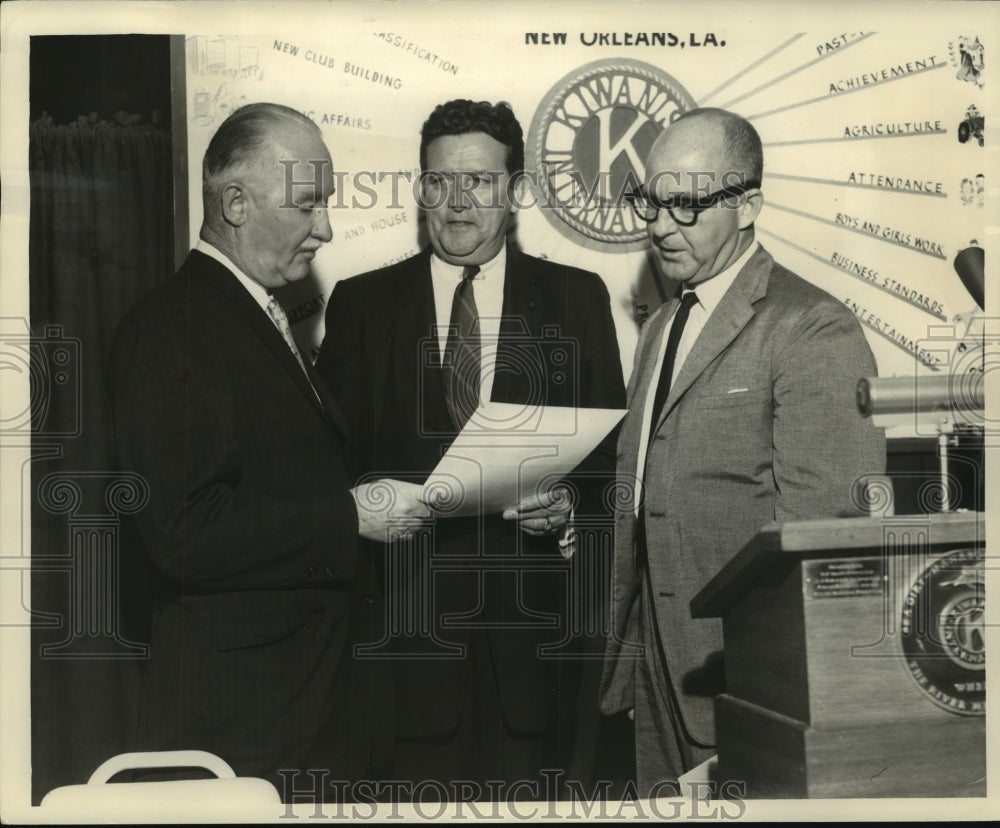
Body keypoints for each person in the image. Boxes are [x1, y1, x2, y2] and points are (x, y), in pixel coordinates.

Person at [108, 102, 429, 798]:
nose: (327, 229)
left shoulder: (254, 316)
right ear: (234, 203)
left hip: (313, 716)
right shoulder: (171, 327)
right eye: (309, 205)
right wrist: (349, 517)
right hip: (249, 735)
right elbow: (183, 532)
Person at [316, 99, 626, 796]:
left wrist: (571, 505)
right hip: (404, 642)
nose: (457, 202)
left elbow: (609, 457)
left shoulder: (577, 298)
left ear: (515, 192)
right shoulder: (361, 305)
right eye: (439, 181)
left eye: (479, 182)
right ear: (421, 189)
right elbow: (331, 459)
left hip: (535, 645)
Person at [599, 107, 886, 794]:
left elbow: (831, 551)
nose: (660, 225)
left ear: (748, 204)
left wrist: (775, 700)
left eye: (688, 204)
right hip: (656, 677)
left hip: (753, 691)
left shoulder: (812, 329)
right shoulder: (663, 324)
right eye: (651, 200)